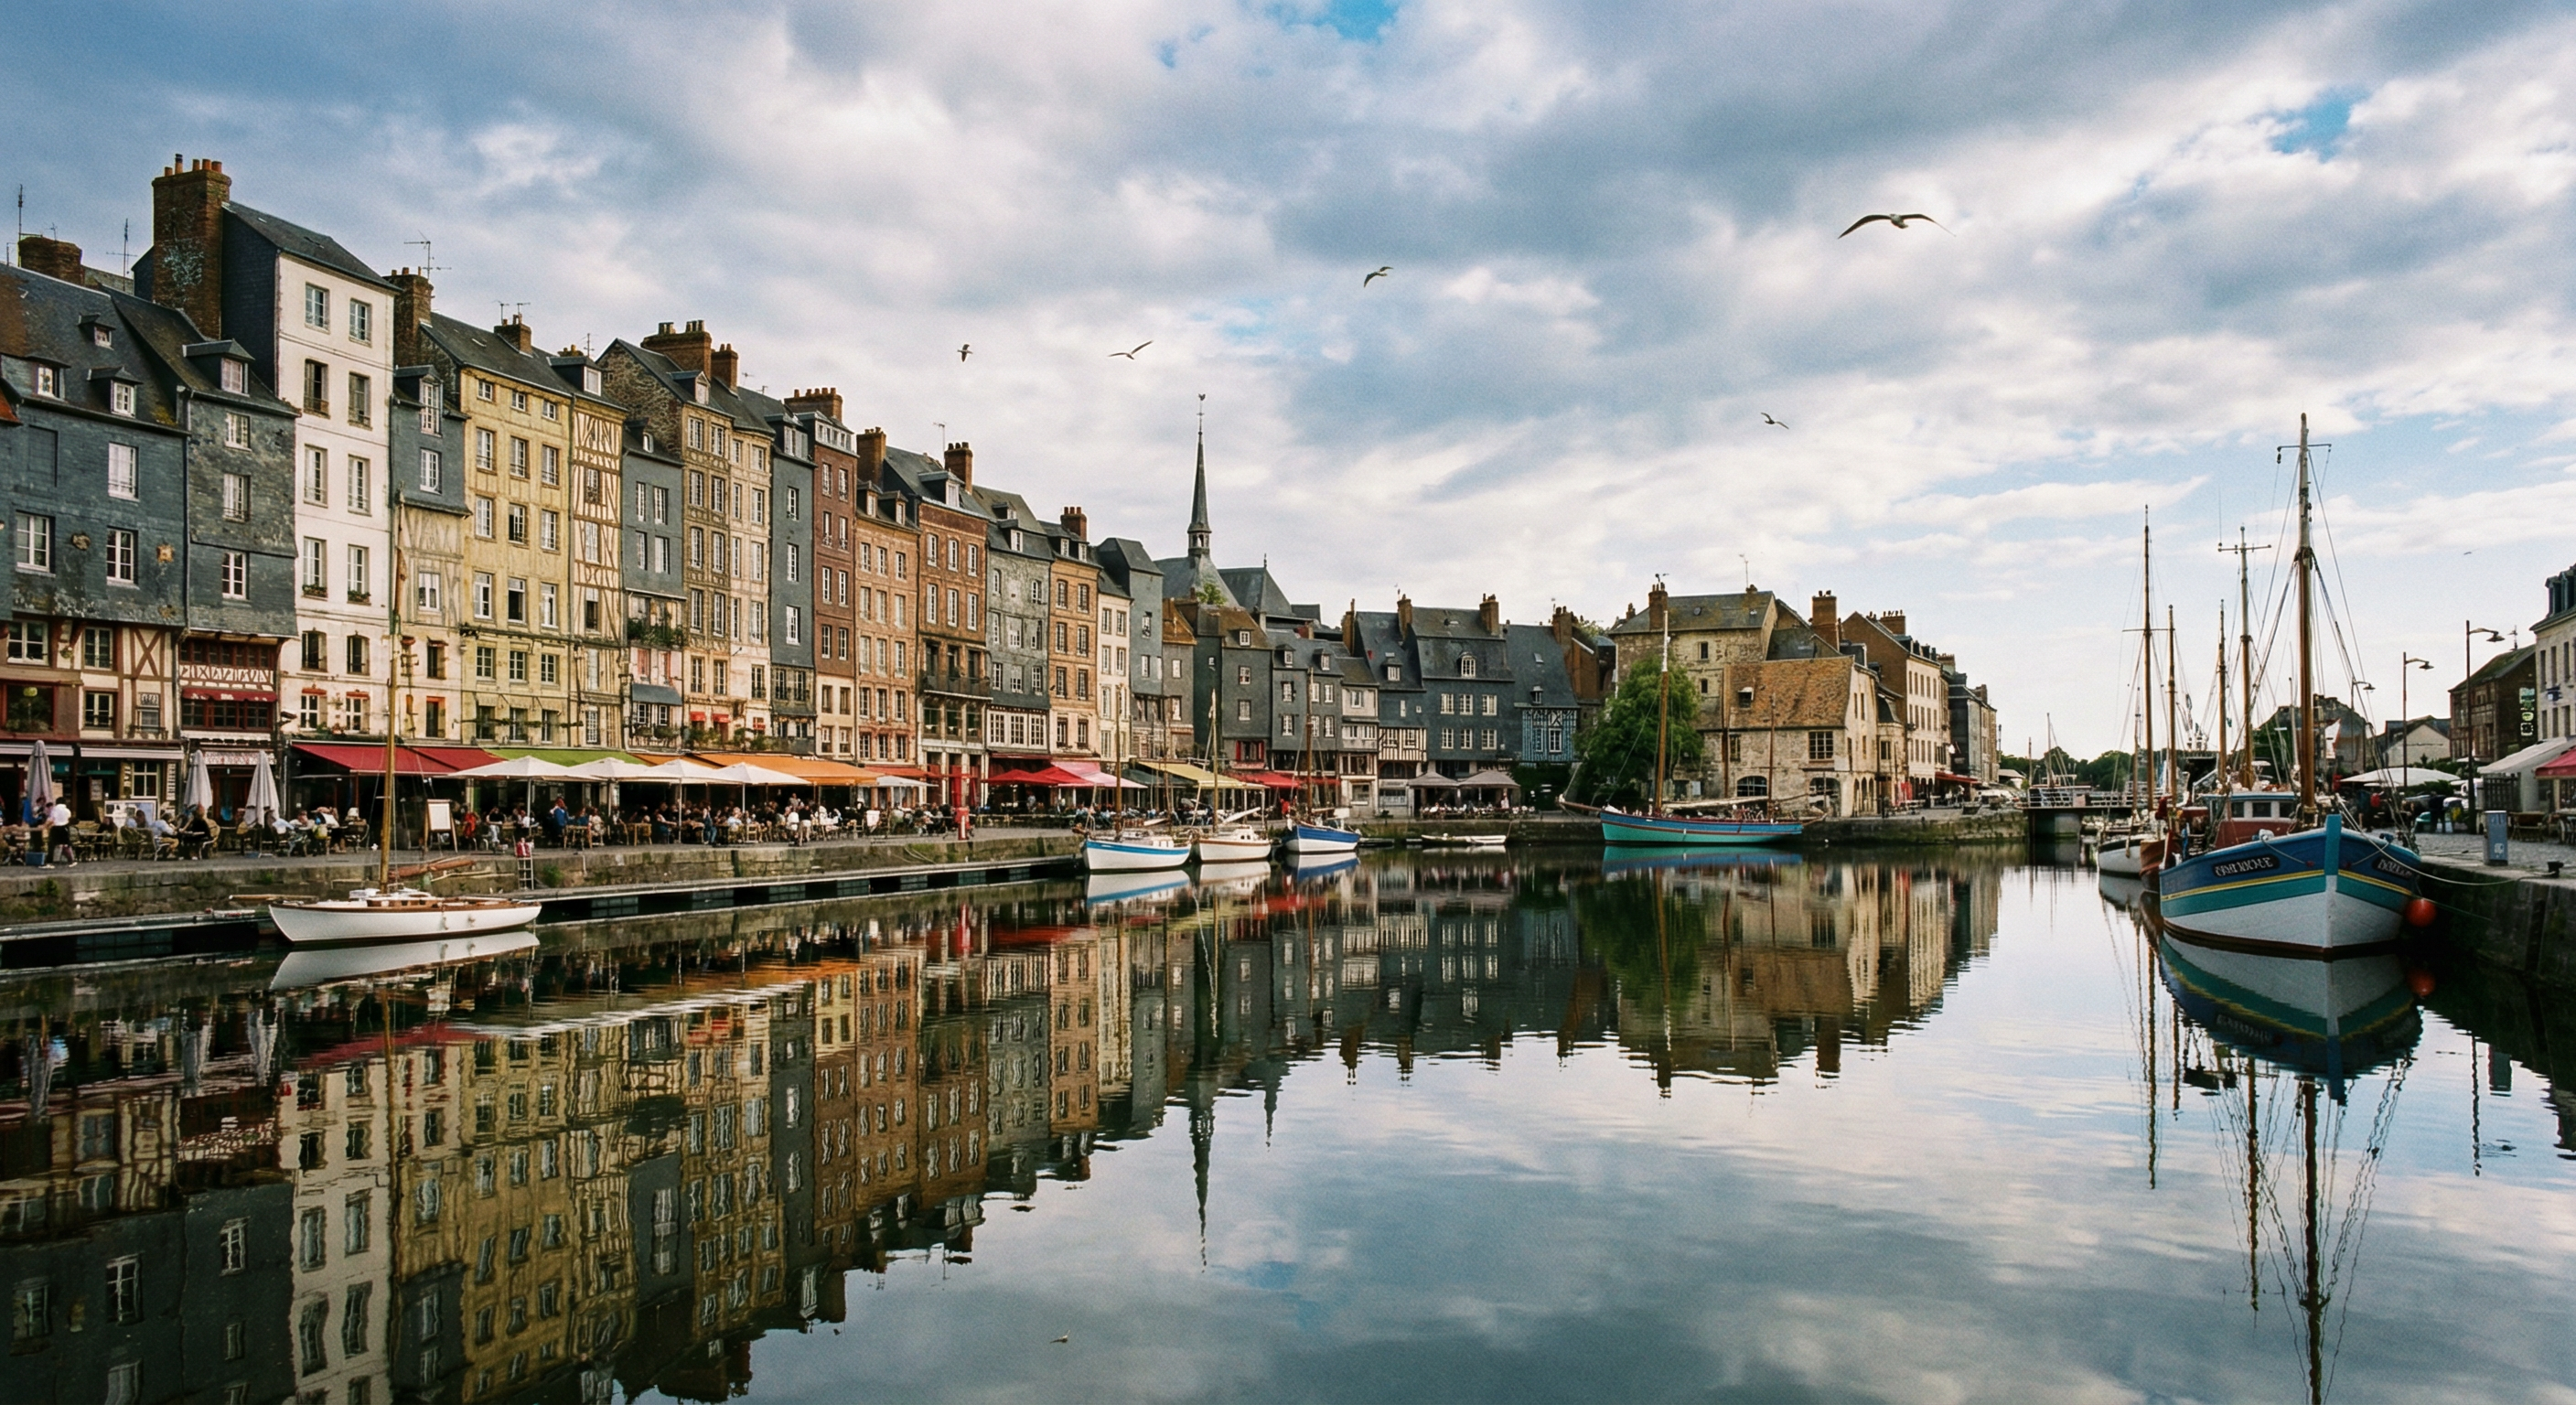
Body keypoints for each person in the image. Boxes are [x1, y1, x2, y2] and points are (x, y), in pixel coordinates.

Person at [46, 797, 73, 867]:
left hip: (56, 828)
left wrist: (45, 826)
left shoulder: (54, 810)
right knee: (66, 845)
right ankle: (71, 860)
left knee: (52, 844)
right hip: (64, 828)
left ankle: (50, 861)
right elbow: (69, 818)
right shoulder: (67, 810)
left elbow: (52, 819)